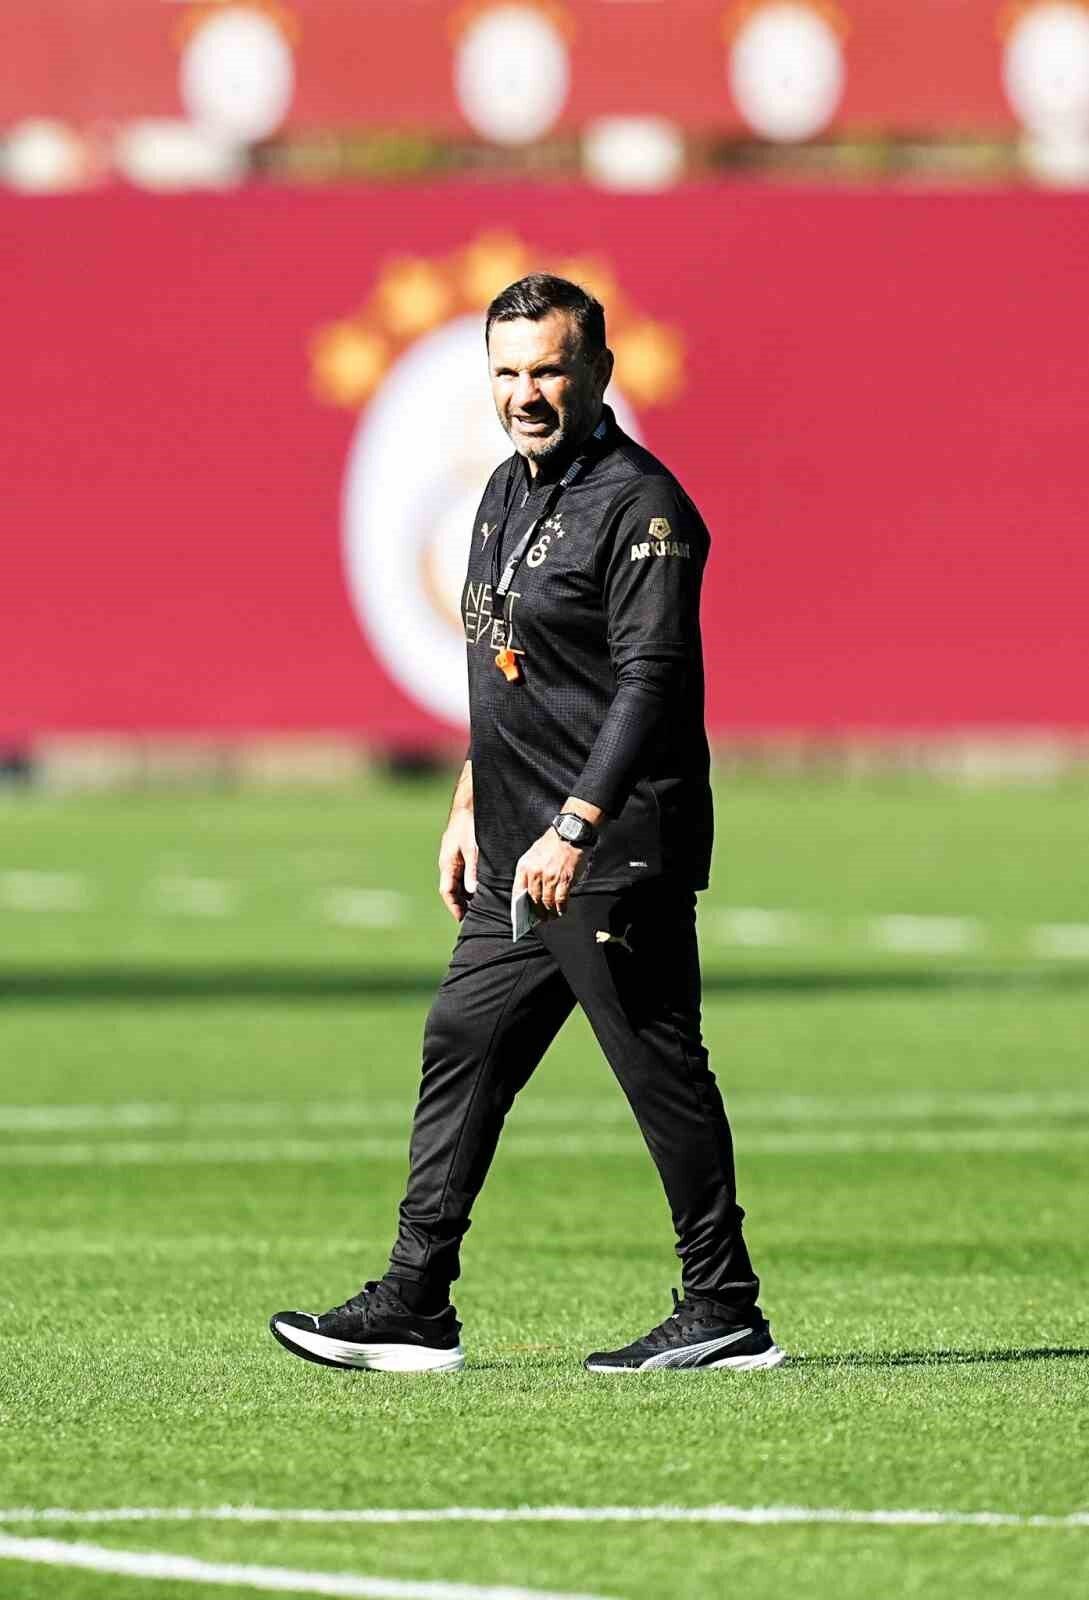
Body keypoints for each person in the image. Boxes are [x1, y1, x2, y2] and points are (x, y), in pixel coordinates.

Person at [270, 275, 784, 1375]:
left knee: (658, 1069)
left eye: (548, 369)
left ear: (598, 371)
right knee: (462, 1041)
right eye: (506, 372)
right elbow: (508, 664)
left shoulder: (644, 508)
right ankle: (415, 1302)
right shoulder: (505, 488)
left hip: (608, 847)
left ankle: (722, 1305)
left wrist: (578, 825)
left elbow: (650, 682)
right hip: (515, 848)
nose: (526, 393)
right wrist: (471, 795)